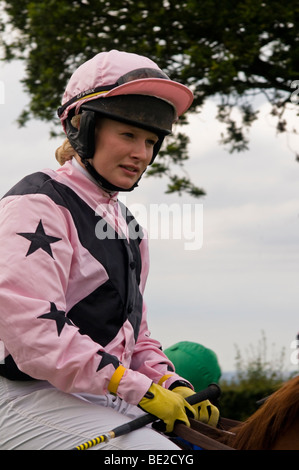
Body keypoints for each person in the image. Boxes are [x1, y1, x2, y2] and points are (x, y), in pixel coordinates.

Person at [0, 50, 219, 450]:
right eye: (129, 135)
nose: (142, 154)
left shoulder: (128, 225)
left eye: (151, 140)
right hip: (23, 395)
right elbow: (35, 335)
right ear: (83, 128)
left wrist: (169, 382)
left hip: (95, 397)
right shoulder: (36, 203)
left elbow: (135, 337)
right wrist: (138, 388)